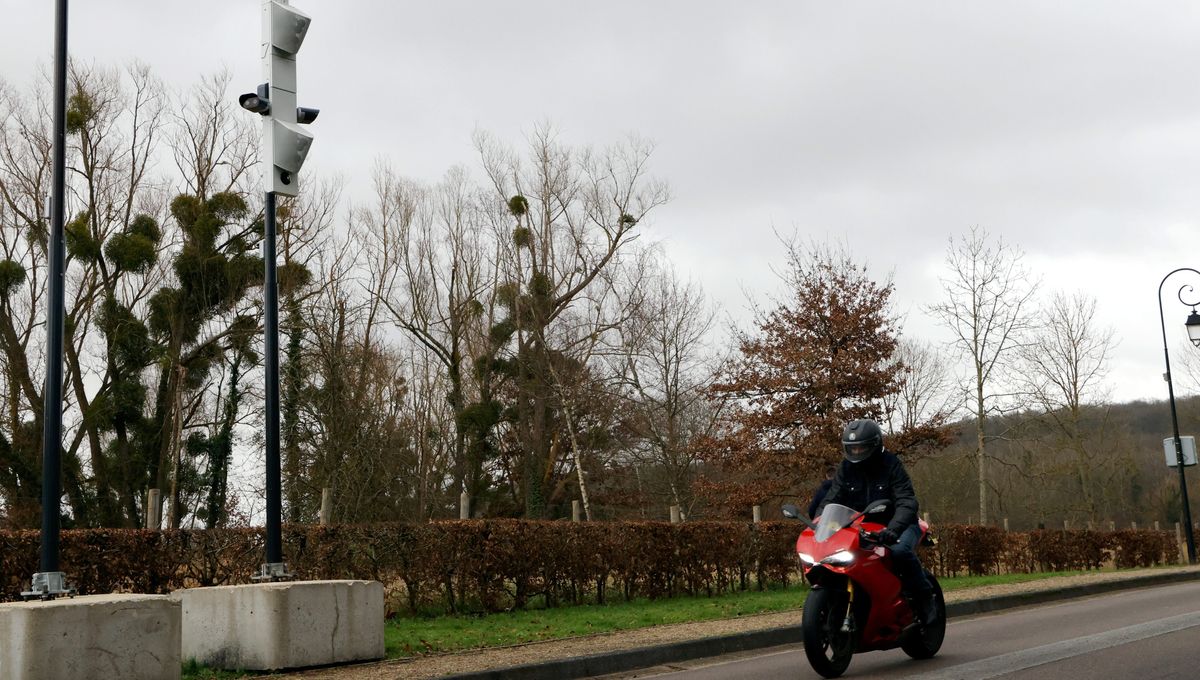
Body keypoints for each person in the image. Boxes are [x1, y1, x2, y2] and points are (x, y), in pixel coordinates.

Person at [815, 418, 938, 625]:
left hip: (900, 524)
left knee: (899, 552)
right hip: (861, 526)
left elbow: (906, 500)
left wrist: (894, 529)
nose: (856, 453)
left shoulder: (891, 464)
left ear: (874, 445)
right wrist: (820, 522)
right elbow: (831, 499)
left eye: (861, 448)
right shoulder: (846, 468)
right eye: (852, 449)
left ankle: (925, 598)